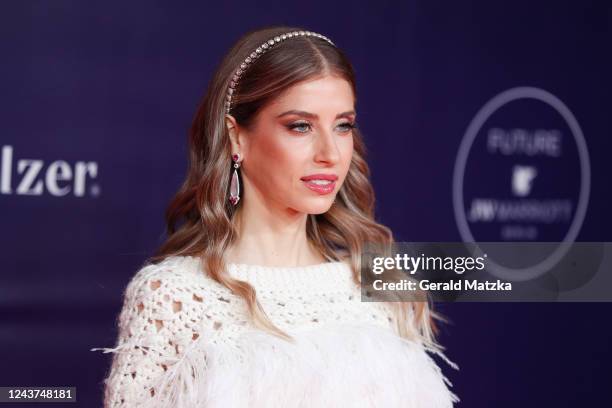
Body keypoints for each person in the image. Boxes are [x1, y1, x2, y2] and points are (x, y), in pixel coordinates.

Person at [91, 26, 459, 407]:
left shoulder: (377, 285)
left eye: (343, 126)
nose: (330, 153)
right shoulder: (176, 298)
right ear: (237, 137)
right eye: (300, 126)